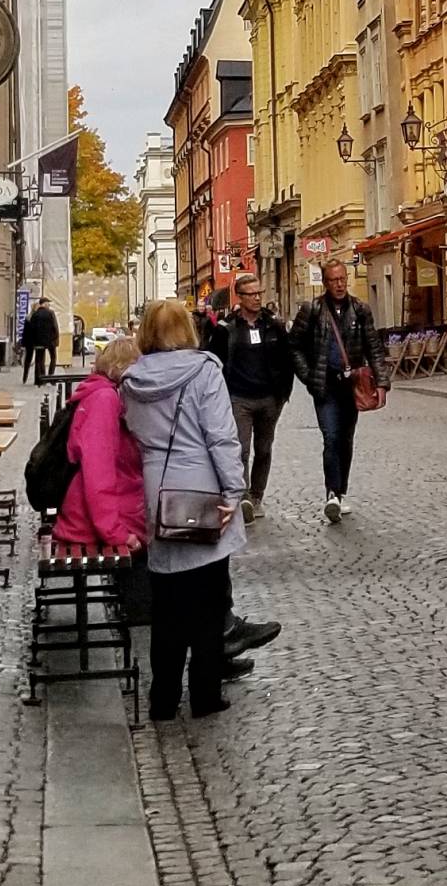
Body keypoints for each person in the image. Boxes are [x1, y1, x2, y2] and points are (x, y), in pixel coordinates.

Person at [121, 297, 278, 717]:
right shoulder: (204, 371)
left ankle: (164, 697)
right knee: (208, 600)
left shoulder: (132, 381)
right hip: (202, 487)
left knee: (167, 603)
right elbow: (222, 437)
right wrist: (234, 490)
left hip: (158, 489)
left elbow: (134, 434)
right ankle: (205, 694)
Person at [290, 257, 383, 524]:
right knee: (331, 437)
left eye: (342, 279)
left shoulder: (360, 309)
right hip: (325, 385)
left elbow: (373, 347)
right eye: (333, 280)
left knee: (345, 439)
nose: (339, 284)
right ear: (325, 282)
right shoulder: (313, 310)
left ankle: (341, 492)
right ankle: (332, 493)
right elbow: (294, 346)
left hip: (352, 386)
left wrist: (382, 383)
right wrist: (309, 377)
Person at [51, 333, 147, 561]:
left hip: (93, 517)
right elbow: (99, 472)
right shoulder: (105, 399)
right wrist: (116, 533)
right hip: (92, 524)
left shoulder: (98, 393)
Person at [209, 271, 295, 520]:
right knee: (242, 449)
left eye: (259, 293)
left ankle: (258, 495)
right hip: (239, 398)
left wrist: (283, 393)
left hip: (270, 397)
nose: (257, 298)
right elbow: (214, 362)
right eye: (252, 294)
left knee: (264, 449)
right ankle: (244, 495)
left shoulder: (274, 325)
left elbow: (287, 359)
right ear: (240, 297)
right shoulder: (227, 329)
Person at [21, 297, 60, 385]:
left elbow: (32, 329)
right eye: (48, 303)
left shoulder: (35, 315)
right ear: (45, 304)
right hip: (49, 341)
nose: (49, 305)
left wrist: (33, 341)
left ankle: (39, 379)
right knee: (53, 357)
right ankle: (50, 377)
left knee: (39, 360)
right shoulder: (50, 313)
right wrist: (55, 338)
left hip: (38, 341)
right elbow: (54, 327)